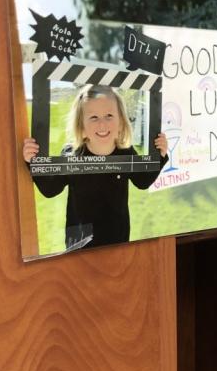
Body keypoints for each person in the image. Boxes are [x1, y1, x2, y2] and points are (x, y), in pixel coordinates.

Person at [22, 84, 169, 250]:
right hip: (80, 245)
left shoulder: (125, 153)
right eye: (93, 117)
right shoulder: (72, 154)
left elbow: (143, 181)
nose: (102, 124)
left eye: (109, 115)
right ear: (81, 125)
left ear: (120, 122)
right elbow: (50, 190)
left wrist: (160, 156)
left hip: (117, 240)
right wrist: (33, 161)